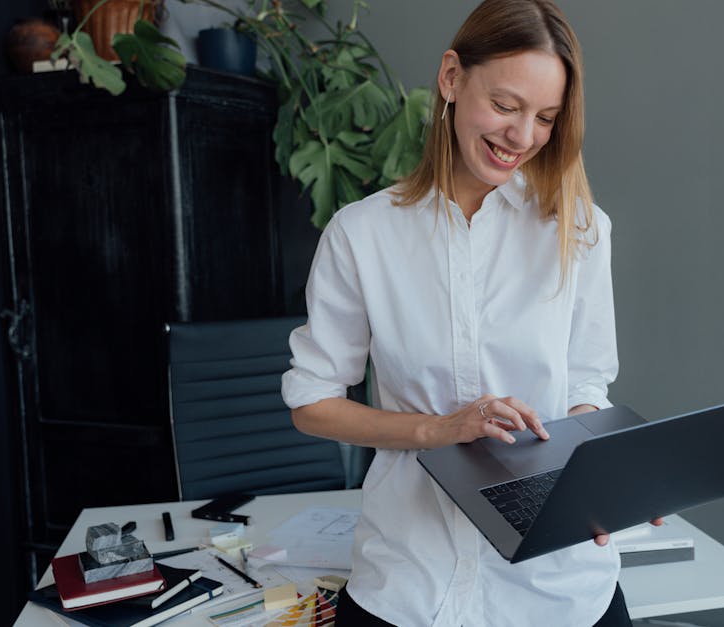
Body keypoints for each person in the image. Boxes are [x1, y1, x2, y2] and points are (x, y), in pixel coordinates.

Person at [282, 1, 654, 624]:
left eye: (545, 117)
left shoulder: (581, 229)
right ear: (452, 78)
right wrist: (441, 429)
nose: (523, 136)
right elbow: (312, 403)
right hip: (409, 587)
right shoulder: (362, 235)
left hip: (556, 594)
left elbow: (588, 384)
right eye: (506, 106)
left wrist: (601, 481)